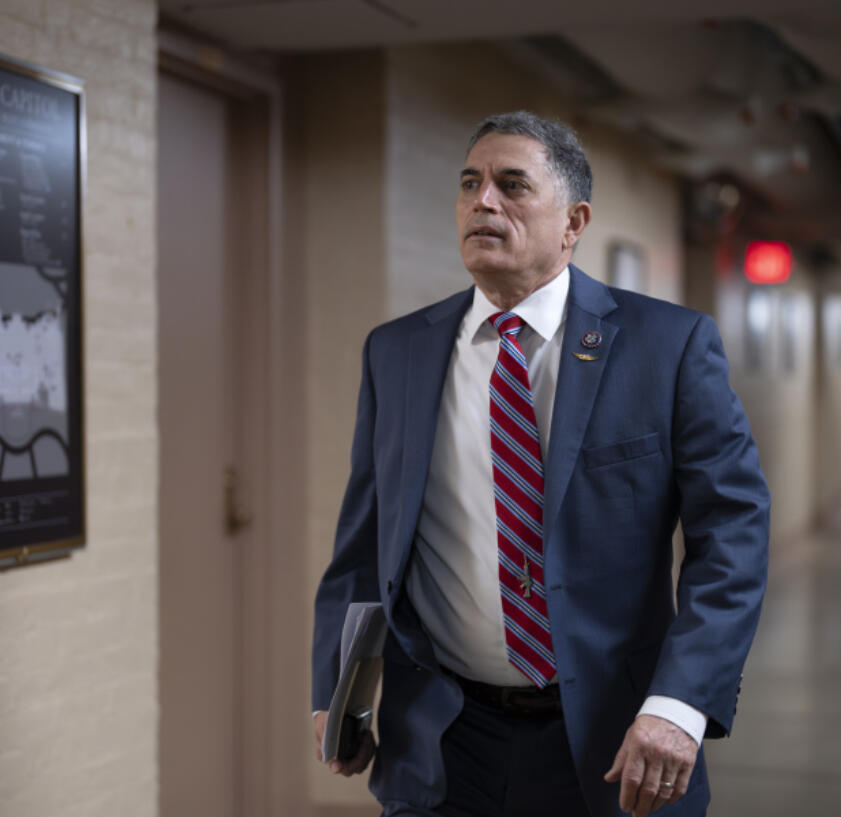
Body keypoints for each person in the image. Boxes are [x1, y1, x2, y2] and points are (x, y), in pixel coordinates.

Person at [311, 111, 770, 817]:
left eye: (512, 185)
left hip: (614, 735)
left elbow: (732, 532)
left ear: (573, 221)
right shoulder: (397, 352)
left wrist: (681, 701)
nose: (482, 201)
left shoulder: (667, 346)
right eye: (470, 183)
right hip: (442, 732)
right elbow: (365, 543)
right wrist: (339, 689)